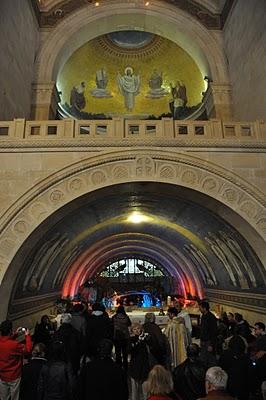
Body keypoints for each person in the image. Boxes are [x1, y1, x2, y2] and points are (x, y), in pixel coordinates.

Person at [0, 320, 32, 400]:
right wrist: (27, 336)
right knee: (15, 397)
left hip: (2, 375)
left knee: (4, 397)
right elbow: (28, 350)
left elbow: (6, 341)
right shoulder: (14, 345)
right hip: (14, 376)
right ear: (10, 330)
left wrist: (15, 334)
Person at [112, 305, 131, 370]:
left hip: (116, 336)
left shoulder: (114, 317)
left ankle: (118, 366)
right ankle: (125, 366)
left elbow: (111, 325)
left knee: (118, 352)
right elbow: (129, 324)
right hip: (125, 336)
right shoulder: (126, 317)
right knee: (124, 352)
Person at [198, 301, 217, 367]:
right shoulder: (203, 316)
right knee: (203, 358)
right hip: (203, 340)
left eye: (200, 308)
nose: (199, 309)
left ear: (204, 308)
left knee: (210, 359)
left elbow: (214, 332)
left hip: (209, 342)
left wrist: (211, 344)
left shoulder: (211, 317)